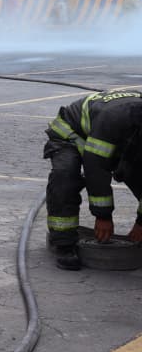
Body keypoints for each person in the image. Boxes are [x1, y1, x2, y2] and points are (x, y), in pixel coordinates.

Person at [43, 90, 142, 270]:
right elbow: (96, 168)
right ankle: (64, 244)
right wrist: (103, 216)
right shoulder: (114, 118)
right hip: (72, 135)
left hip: (118, 139)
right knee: (65, 176)